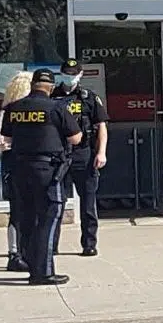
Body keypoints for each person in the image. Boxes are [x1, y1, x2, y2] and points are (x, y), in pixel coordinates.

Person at [1, 69, 81, 286]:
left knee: (27, 218)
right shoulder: (56, 107)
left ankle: (30, 263)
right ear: (52, 87)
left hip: (20, 169)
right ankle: (43, 272)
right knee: (49, 217)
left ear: (33, 84)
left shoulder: (13, 108)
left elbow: (6, 136)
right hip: (47, 171)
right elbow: (75, 138)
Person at [51, 58, 108, 256]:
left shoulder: (89, 97)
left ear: (80, 74)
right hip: (58, 154)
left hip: (83, 154)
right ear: (60, 74)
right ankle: (52, 244)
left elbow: (101, 126)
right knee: (55, 202)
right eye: (67, 73)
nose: (70, 76)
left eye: (74, 73)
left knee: (88, 203)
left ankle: (89, 244)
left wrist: (101, 153)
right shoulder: (51, 97)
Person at [0, 70, 33, 272]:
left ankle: (30, 250)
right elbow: (0, 141)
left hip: (32, 165)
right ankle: (15, 253)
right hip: (14, 165)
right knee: (17, 211)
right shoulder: (6, 114)